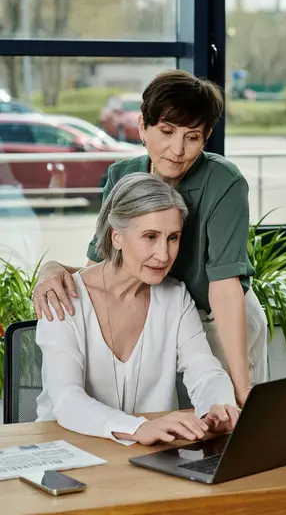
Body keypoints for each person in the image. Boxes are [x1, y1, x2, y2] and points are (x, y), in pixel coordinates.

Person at [34, 70, 268, 407]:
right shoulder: (122, 175)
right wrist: (54, 268)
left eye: (193, 137)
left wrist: (242, 388)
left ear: (207, 137)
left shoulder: (224, 183)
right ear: (143, 126)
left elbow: (224, 286)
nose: (177, 150)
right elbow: (105, 268)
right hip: (158, 315)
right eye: (167, 132)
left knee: (227, 413)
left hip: (218, 319)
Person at [36, 173, 239, 445]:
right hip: (65, 450)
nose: (164, 255)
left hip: (147, 456)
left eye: (173, 237)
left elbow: (205, 371)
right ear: (116, 237)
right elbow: (66, 399)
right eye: (150, 236)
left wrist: (218, 406)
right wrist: (139, 428)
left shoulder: (175, 298)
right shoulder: (63, 296)